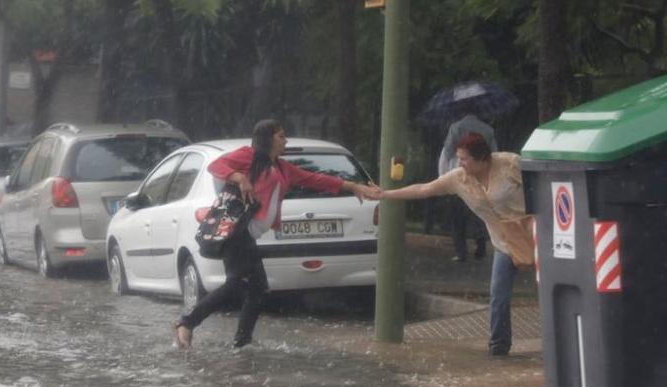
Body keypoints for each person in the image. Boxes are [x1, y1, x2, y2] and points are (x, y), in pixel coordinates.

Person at [173, 119, 379, 350]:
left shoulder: (282, 167)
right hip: (237, 232)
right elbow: (216, 167)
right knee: (239, 285)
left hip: (248, 236)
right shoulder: (248, 156)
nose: (286, 140)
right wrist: (240, 178)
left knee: (256, 289)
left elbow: (314, 179)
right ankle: (188, 323)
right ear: (268, 139)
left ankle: (240, 343)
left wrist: (353, 187)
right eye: (281, 136)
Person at [372, 132, 534, 356]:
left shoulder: (508, 163)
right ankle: (498, 347)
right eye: (459, 158)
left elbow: (541, 182)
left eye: (464, 159)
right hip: (503, 241)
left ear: (481, 159)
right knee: (498, 295)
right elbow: (425, 189)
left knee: (550, 289)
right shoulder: (458, 178)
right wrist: (386, 194)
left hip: (535, 233)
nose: (460, 163)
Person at [438, 113, 497, 262]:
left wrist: (443, 178)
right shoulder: (488, 130)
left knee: (457, 218)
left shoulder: (455, 128)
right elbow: (495, 155)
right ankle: (480, 245)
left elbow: (446, 154)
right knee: (478, 214)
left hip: (458, 178)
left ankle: (461, 251)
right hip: (479, 179)